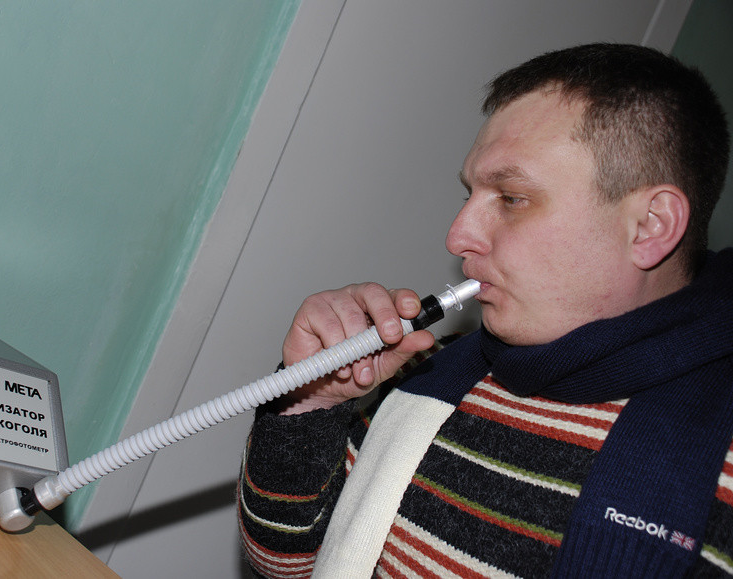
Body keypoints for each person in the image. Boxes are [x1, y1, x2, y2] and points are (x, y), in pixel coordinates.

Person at [238, 43, 733, 578]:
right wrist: (309, 405)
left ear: (651, 225)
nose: (457, 237)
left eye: (512, 198)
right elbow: (285, 563)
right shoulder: (427, 371)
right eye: (469, 194)